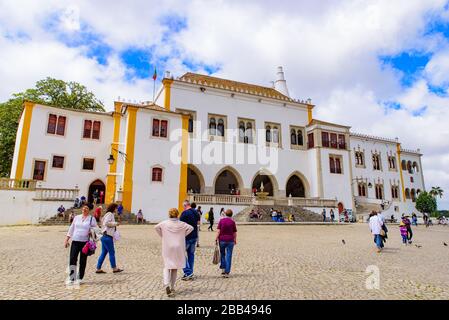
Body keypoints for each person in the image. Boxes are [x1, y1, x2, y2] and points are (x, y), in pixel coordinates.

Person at [155, 208, 193, 297]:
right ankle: (172, 287)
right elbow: (191, 228)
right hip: (178, 247)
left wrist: (163, 235)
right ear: (177, 215)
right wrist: (183, 235)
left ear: (169, 214)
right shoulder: (181, 224)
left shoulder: (165, 223)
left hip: (168, 246)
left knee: (167, 266)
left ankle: (166, 284)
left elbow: (156, 227)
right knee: (175, 267)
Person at [64, 204, 97, 285]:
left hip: (85, 243)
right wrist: (67, 239)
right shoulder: (77, 217)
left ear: (89, 210)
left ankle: (80, 278)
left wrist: (91, 231)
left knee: (82, 260)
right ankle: (72, 278)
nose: (85, 209)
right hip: (75, 241)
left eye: (87, 208)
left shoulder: (91, 219)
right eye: (84, 207)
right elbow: (72, 228)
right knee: (72, 259)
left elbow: (96, 229)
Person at [96, 203, 124, 274]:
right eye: (116, 208)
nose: (117, 209)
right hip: (107, 236)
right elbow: (106, 223)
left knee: (104, 253)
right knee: (112, 252)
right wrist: (115, 223)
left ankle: (98, 268)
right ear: (113, 208)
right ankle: (114, 268)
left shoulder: (107, 214)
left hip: (104, 236)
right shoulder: (110, 214)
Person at [180, 200, 200, 280]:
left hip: (186, 237)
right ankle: (190, 272)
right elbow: (198, 222)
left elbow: (180, 225)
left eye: (183, 206)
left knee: (181, 255)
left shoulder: (184, 213)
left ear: (185, 205)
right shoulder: (196, 212)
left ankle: (188, 272)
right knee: (191, 254)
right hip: (194, 236)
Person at [216, 209, 237, 278]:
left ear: (225, 214)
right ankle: (227, 271)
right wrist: (235, 239)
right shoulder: (232, 222)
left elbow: (218, 231)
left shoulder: (221, 221)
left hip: (222, 240)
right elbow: (234, 232)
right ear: (231, 214)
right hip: (230, 240)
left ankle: (223, 269)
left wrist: (216, 238)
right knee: (229, 255)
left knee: (222, 254)